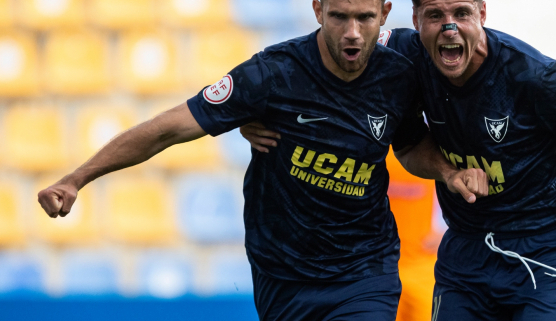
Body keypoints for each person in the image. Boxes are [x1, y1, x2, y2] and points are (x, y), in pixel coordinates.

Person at [241, 0, 556, 319]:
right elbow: (322, 50)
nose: (449, 26)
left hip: (544, 255)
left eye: (462, 12)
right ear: (415, 20)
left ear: (482, 13)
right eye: (435, 14)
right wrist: (257, 107)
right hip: (465, 255)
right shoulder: (402, 52)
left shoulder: (538, 80)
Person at [36, 0, 488, 320]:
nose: (352, 32)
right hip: (283, 272)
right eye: (340, 17)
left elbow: (409, 143)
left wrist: (448, 171)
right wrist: (78, 178)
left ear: (384, 14)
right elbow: (171, 127)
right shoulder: (270, 75)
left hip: (363, 268)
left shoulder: (402, 70)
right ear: (317, 9)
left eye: (365, 18)